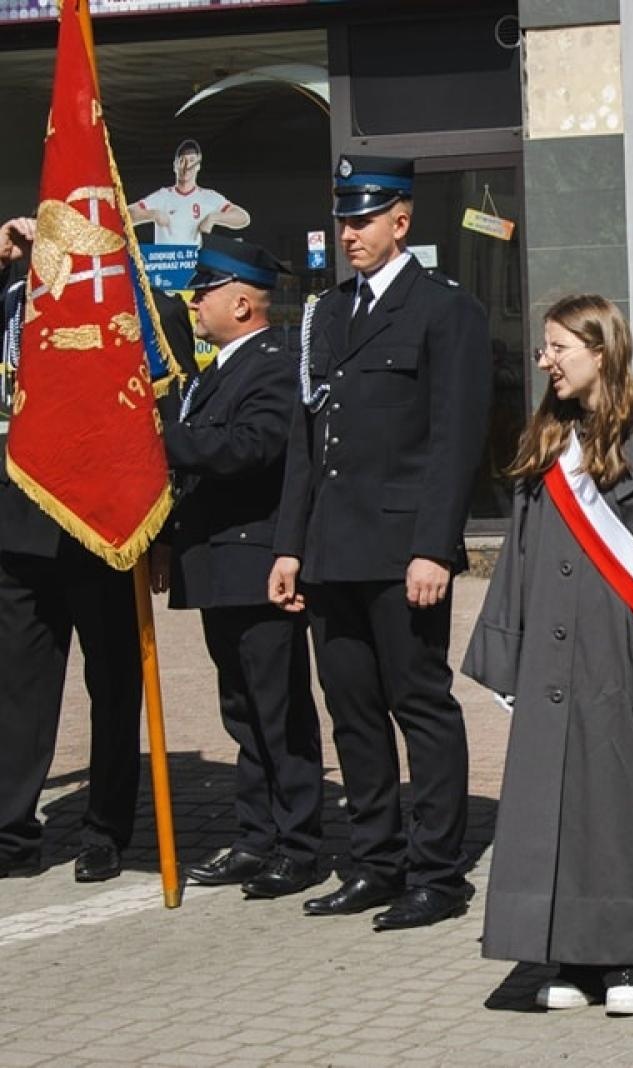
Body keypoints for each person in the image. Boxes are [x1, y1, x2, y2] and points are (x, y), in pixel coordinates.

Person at [269, 155, 492, 930]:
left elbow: (455, 439)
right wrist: (289, 545)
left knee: (418, 705)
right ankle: (376, 860)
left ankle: (437, 873)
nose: (348, 234)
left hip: (404, 551)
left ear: (402, 221)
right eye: (342, 220)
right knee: (353, 711)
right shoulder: (326, 315)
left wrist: (435, 547)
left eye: (362, 219)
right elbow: (307, 438)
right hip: (333, 549)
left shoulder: (441, 311)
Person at [463, 294, 633, 1016]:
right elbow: (521, 556)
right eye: (544, 347)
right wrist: (509, 651)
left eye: (559, 346)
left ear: (602, 350)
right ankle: (567, 955)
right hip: (551, 659)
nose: (544, 361)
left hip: (620, 657)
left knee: (621, 809)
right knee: (551, 807)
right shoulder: (548, 442)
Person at [0, 215, 192, 883]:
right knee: (18, 687)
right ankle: (12, 832)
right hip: (18, 525)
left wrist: (161, 531)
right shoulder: (12, 294)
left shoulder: (146, 303)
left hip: (104, 528)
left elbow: (166, 422)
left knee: (112, 685)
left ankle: (105, 830)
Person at [156, 234, 324, 899]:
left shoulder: (275, 366)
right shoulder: (216, 370)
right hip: (217, 563)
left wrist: (157, 437)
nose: (195, 301)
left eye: (207, 290)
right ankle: (257, 838)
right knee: (242, 711)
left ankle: (299, 844)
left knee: (278, 710)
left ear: (245, 302)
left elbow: (249, 449)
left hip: (257, 561)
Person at [129, 140, 251, 247]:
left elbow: (243, 218)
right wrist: (152, 214)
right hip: (166, 265)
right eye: (182, 160)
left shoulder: (209, 197)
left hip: (196, 266)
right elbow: (126, 214)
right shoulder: (163, 196)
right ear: (175, 165)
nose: (187, 166)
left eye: (192, 160)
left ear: (198, 166)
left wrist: (213, 218)